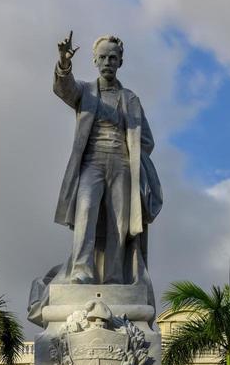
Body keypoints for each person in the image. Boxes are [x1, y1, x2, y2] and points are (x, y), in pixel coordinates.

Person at [27, 32, 162, 323]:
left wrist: (131, 146)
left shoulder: (130, 99)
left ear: (121, 61)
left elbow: (147, 140)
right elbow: (64, 89)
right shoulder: (86, 91)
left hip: (122, 165)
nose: (107, 63)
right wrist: (64, 63)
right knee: (86, 212)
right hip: (92, 162)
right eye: (102, 58)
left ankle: (114, 275)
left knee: (119, 223)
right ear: (94, 60)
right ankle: (81, 271)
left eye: (113, 58)